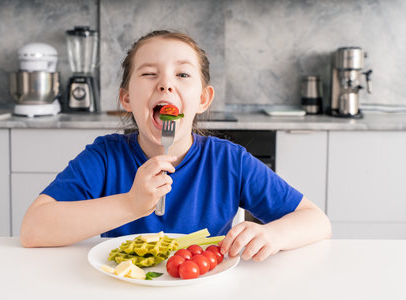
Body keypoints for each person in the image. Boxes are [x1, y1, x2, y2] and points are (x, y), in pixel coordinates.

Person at [20, 30, 331, 262]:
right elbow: (33, 229)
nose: (166, 84)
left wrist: (272, 234)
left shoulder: (228, 161)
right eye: (149, 73)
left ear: (202, 99)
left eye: (182, 74)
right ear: (126, 98)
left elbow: (316, 220)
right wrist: (130, 204)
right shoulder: (105, 157)